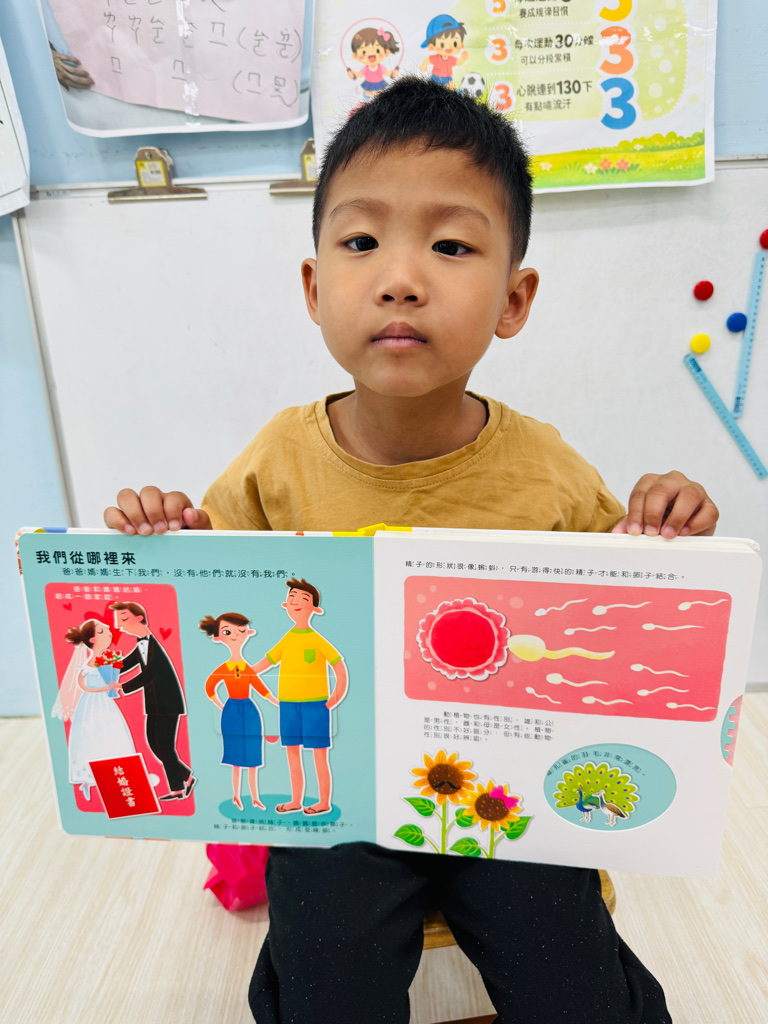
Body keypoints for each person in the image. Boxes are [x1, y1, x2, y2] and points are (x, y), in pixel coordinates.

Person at [104, 77, 720, 1022]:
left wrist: (662, 533)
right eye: (361, 242)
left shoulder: (548, 468)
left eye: (450, 245)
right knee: (326, 964)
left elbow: (617, 616)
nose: (400, 277)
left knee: (570, 972)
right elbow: (215, 597)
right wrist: (170, 545)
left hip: (505, 787)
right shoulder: (276, 458)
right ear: (315, 290)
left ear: (514, 299)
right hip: (338, 791)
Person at [249, 578, 348, 816]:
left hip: (316, 706)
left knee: (319, 756)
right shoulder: (287, 639)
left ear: (315, 609)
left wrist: (336, 696)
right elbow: (266, 662)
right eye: (291, 597)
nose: (295, 602)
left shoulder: (316, 639)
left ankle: (323, 802)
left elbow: (339, 666)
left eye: (303, 598)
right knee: (292, 755)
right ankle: (295, 800)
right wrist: (244, 673)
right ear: (285, 604)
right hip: (288, 705)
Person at [110, 601, 194, 801]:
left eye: (124, 619)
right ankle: (186, 777)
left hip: (168, 704)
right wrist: (106, 667)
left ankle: (177, 789)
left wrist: (123, 686)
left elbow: (150, 674)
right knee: (154, 744)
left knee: (165, 747)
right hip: (155, 704)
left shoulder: (153, 645)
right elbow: (126, 663)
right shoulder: (142, 644)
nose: (120, 625)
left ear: (139, 618)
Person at [199, 611, 279, 810]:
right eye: (228, 632)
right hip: (231, 712)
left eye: (240, 631)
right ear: (218, 637)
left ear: (248, 633)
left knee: (253, 756)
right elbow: (209, 687)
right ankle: (236, 795)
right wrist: (222, 706)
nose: (235, 635)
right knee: (235, 757)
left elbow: (262, 690)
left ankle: (255, 797)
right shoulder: (224, 668)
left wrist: (280, 704)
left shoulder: (247, 669)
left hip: (250, 711)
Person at [52, 618, 135, 800]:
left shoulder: (108, 660)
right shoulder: (89, 665)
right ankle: (89, 780)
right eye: (104, 631)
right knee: (92, 736)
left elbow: (114, 675)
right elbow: (83, 684)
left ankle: (116, 778)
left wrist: (113, 683)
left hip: (106, 704)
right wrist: (102, 688)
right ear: (93, 639)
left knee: (111, 735)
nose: (110, 634)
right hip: (92, 705)